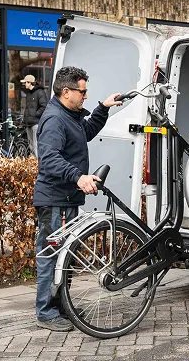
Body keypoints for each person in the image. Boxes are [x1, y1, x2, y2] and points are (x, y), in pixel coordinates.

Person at [33, 66, 122, 332]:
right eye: (82, 92)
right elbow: (49, 159)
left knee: (65, 256)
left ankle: (62, 306)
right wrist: (78, 177)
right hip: (54, 199)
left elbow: (86, 132)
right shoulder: (54, 120)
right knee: (51, 255)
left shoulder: (69, 116)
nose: (85, 96)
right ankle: (46, 312)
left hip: (67, 198)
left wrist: (103, 108)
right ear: (66, 91)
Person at [21, 74, 48, 157]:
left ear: (30, 83)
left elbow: (44, 106)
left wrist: (35, 115)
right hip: (28, 123)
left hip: (36, 123)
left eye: (25, 82)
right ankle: (33, 163)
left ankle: (38, 163)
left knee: (36, 145)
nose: (24, 84)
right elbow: (28, 108)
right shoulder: (29, 93)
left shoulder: (40, 92)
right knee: (31, 145)